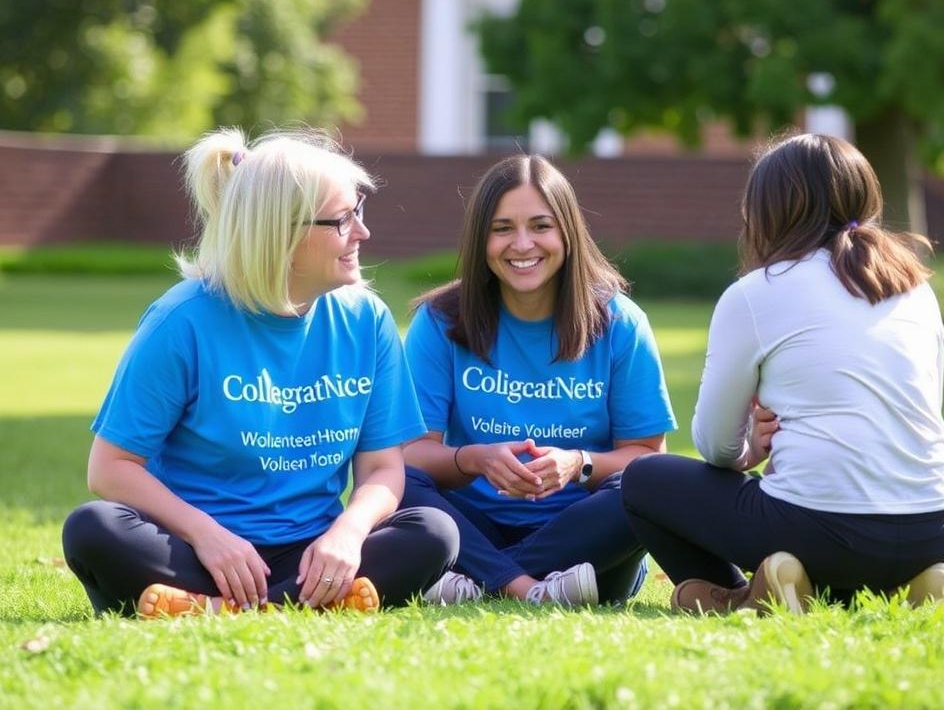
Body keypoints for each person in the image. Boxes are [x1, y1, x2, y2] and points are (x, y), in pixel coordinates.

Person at [62, 128, 459, 617]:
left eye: (360, 212)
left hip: (311, 553)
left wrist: (348, 535)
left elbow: (381, 469)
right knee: (93, 529)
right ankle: (307, 605)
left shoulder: (367, 320)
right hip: (197, 548)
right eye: (342, 220)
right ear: (282, 234)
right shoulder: (181, 321)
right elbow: (110, 468)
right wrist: (207, 536)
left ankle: (204, 608)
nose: (362, 232)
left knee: (435, 533)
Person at [621, 133, 944, 615]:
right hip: (942, 529)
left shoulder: (755, 294)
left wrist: (751, 447)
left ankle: (747, 592)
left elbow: (715, 444)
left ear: (768, 212)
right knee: (846, 546)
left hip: (820, 531)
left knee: (644, 478)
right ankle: (918, 578)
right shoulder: (915, 288)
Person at [399, 154, 677, 606]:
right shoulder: (440, 321)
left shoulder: (620, 323)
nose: (522, 244)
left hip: (583, 538)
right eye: (503, 228)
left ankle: (481, 581)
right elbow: (410, 452)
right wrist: (475, 459)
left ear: (567, 232)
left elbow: (646, 459)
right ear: (480, 239)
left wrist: (578, 463)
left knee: (646, 489)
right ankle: (530, 590)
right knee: (396, 477)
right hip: (475, 525)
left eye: (541, 226)